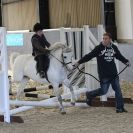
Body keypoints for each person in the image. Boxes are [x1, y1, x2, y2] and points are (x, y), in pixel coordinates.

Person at [74, 32, 131, 113]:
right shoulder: (98, 48)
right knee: (103, 91)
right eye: (103, 38)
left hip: (114, 74)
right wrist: (79, 62)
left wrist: (126, 61)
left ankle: (120, 108)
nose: (104, 40)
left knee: (118, 90)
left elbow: (119, 56)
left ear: (110, 40)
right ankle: (89, 94)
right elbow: (89, 56)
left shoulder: (114, 47)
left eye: (106, 38)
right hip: (104, 75)